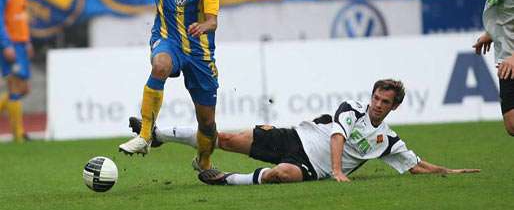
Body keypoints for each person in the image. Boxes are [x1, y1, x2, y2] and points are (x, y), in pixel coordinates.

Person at [57, 0, 220, 171]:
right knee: (160, 65)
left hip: (199, 53)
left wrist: (204, 25)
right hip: (168, 40)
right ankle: (145, 136)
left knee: (207, 124)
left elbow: (212, 20)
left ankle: (204, 163)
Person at [128, 79, 480, 185]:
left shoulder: (387, 141)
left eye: (384, 101)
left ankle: (224, 179)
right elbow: (337, 137)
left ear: (394, 107)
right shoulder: (350, 108)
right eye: (375, 97)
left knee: (283, 175)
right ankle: (158, 133)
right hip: (296, 137)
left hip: (312, 168)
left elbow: (415, 164)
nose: (377, 104)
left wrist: (450, 172)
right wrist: (341, 171)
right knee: (226, 139)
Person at [470, 0, 514, 136]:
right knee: (511, 125)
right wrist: (491, 34)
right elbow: (505, 14)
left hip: (513, 58)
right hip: (506, 59)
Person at [0, 0, 33, 143]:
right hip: (10, 43)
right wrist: (6, 45)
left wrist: (27, 40)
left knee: (24, 89)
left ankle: (19, 133)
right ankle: (18, 136)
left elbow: (21, 16)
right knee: (14, 87)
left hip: (21, 42)